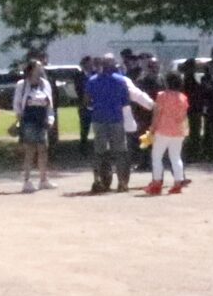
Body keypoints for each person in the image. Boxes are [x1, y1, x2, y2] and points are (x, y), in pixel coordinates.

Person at [82, 53, 135, 192]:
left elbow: (86, 101)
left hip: (99, 119)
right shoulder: (120, 81)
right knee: (120, 152)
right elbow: (126, 101)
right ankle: (122, 182)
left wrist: (94, 107)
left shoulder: (92, 80)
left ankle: (98, 181)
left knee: (99, 152)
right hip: (116, 119)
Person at [11, 57, 56, 191]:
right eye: (38, 67)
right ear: (31, 70)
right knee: (30, 150)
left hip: (41, 119)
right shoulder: (22, 84)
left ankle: (43, 179)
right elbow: (17, 103)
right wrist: (19, 116)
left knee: (43, 149)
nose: (40, 69)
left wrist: (50, 119)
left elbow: (50, 104)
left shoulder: (45, 84)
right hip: (29, 120)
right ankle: (27, 180)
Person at [146, 66, 191, 194]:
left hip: (162, 130)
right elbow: (184, 116)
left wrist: (152, 129)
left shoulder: (162, 96)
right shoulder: (183, 97)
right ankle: (178, 182)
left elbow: (157, 114)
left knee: (156, 157)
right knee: (176, 157)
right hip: (178, 131)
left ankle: (157, 182)